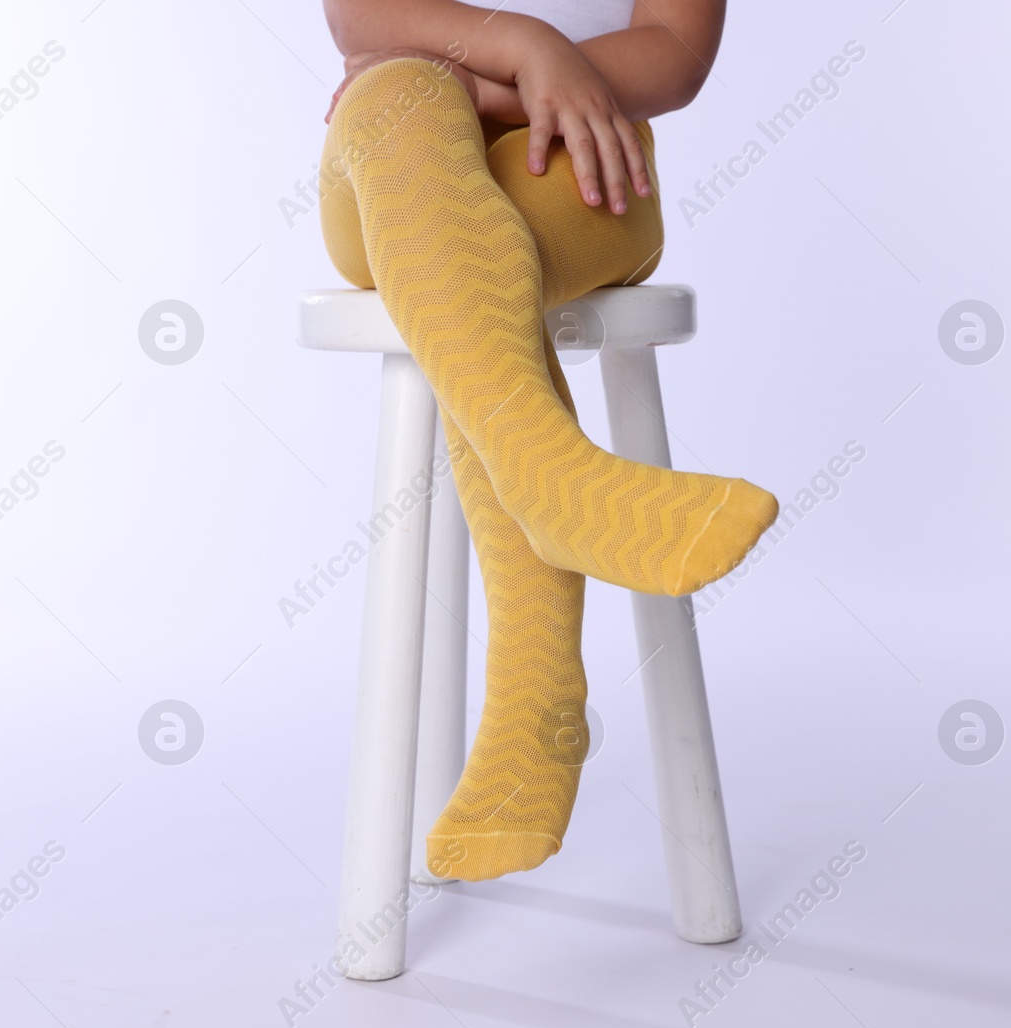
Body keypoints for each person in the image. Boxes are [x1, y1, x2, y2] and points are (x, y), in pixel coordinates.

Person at [317, 0, 776, 882]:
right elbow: (360, 17)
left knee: (461, 282)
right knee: (402, 99)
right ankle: (559, 497)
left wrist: (498, 85)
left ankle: (537, 669)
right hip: (393, 159)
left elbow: (675, 52)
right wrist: (523, 45)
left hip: (582, 161)